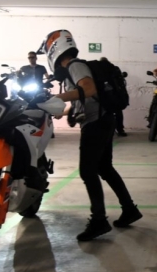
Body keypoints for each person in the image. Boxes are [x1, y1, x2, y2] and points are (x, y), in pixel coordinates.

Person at [41, 29, 142, 241]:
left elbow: (88, 89)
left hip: (96, 124)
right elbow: (84, 100)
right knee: (105, 168)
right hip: (103, 120)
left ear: (53, 50)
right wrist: (62, 111)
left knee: (88, 171)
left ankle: (99, 220)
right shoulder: (74, 68)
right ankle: (129, 209)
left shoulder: (74, 66)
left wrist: (58, 98)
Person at [100, 57, 127, 137]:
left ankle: (103, 130)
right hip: (115, 95)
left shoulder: (98, 70)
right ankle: (120, 130)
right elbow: (121, 82)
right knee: (118, 112)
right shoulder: (114, 68)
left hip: (103, 95)